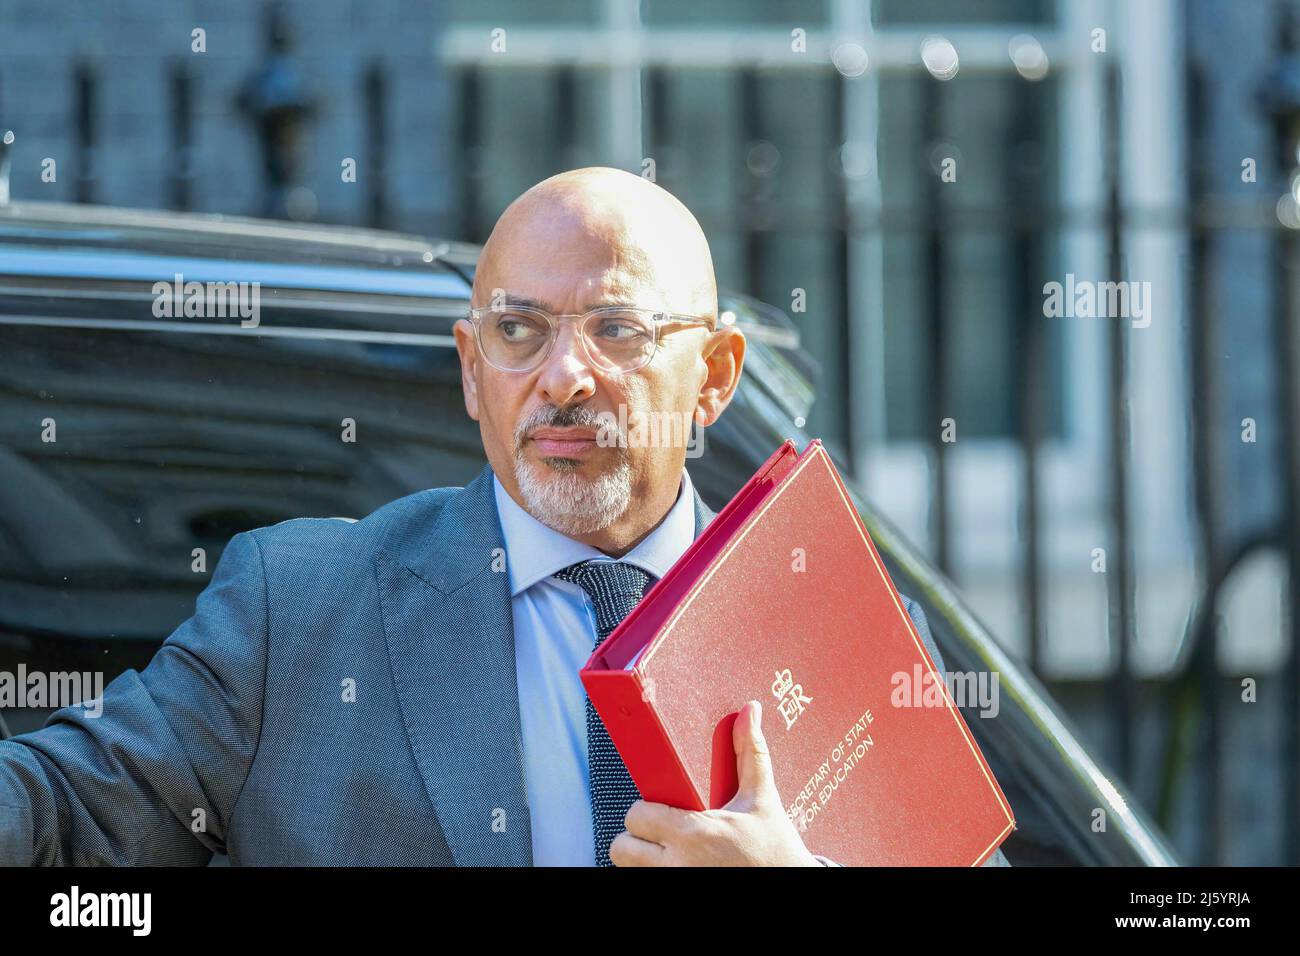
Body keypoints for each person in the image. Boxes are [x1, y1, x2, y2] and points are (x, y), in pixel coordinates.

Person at [0, 166, 1007, 867]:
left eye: (616, 328)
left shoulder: (829, 613)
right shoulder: (296, 611)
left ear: (713, 376)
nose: (562, 376)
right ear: (473, 372)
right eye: (518, 331)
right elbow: (61, 810)